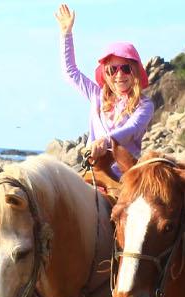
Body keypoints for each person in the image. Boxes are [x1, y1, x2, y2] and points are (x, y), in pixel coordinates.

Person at [56, 3, 154, 176]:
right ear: (105, 74)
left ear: (135, 71)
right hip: (93, 170)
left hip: (125, 176)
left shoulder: (145, 105)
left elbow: (132, 129)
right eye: (112, 69)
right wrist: (66, 34)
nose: (119, 75)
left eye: (126, 68)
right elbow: (70, 72)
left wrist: (105, 141)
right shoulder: (97, 95)